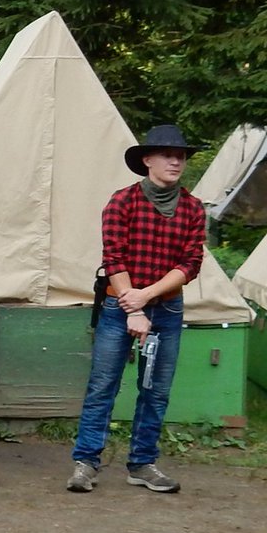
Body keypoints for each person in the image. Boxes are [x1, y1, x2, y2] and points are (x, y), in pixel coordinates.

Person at [69, 125, 204, 496]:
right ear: (147, 160)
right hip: (120, 307)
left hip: (166, 308)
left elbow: (191, 263)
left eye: (181, 156)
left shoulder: (192, 208)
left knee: (156, 390)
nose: (176, 161)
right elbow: (114, 256)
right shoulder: (123, 202)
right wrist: (133, 306)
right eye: (167, 155)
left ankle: (142, 463)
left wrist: (147, 296)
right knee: (103, 385)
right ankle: (86, 463)